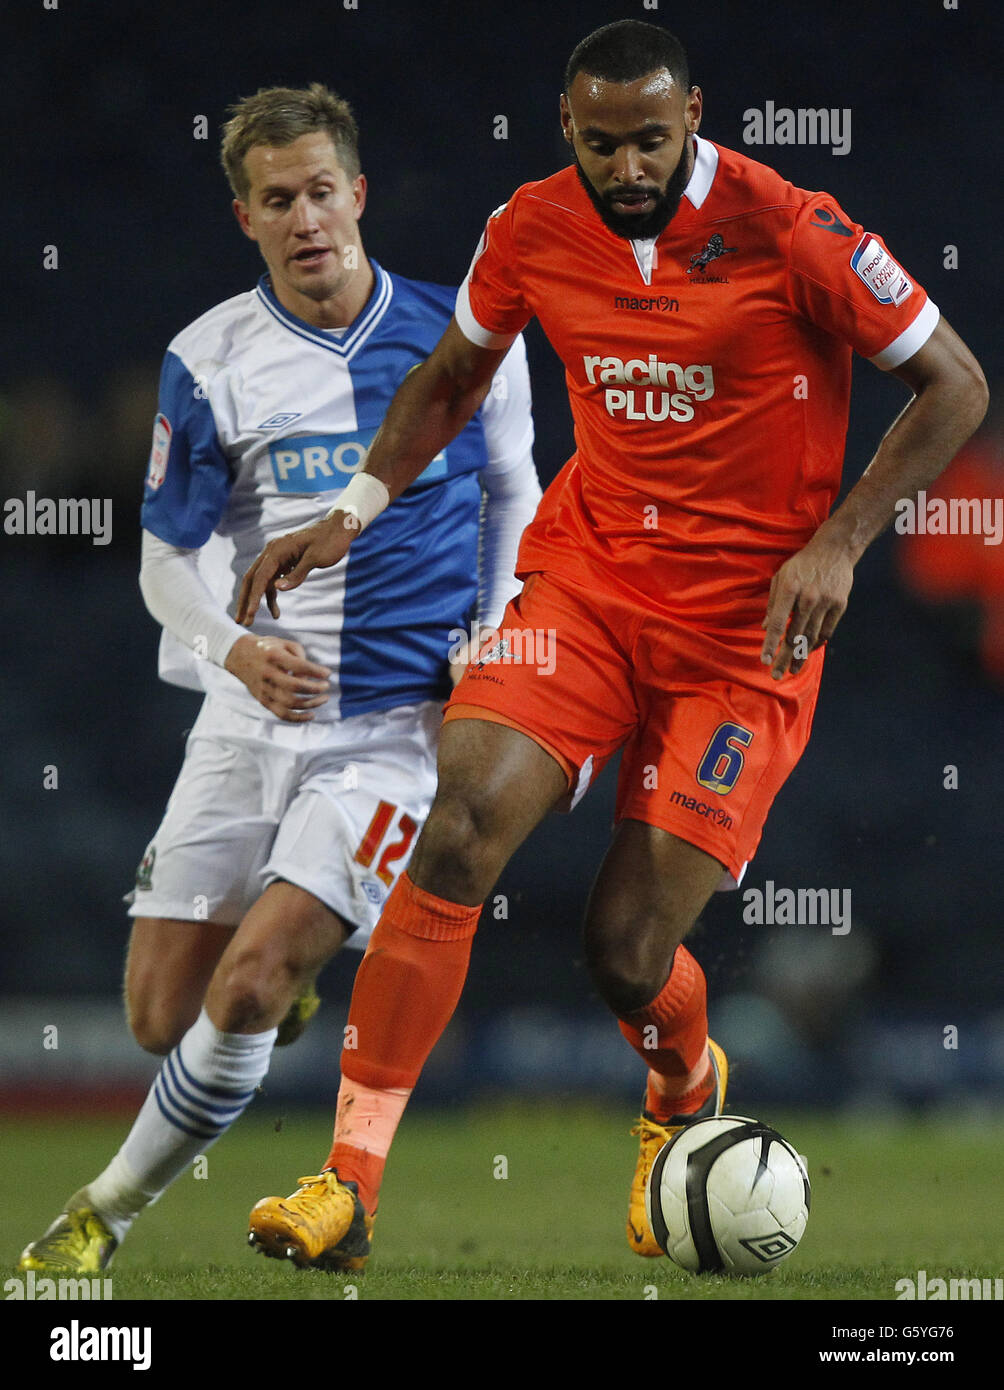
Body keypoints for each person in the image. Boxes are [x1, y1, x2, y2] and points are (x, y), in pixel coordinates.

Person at [238, 17, 987, 1273]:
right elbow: (450, 375)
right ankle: (346, 1182)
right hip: (586, 588)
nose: (626, 167)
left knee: (626, 953)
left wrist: (839, 543)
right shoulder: (530, 225)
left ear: (691, 118)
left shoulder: (792, 226)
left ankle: (682, 1088)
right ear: (566, 130)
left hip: (746, 635)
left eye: (649, 139)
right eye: (600, 143)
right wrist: (351, 510)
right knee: (461, 820)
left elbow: (953, 382)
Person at [18, 83, 541, 1275]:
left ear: (357, 195)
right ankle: (282, 996)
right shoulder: (208, 359)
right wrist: (238, 650)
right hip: (248, 717)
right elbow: (162, 564)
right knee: (162, 1016)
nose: (304, 218)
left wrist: (493, 623)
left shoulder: (462, 336)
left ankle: (98, 1215)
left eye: (320, 192)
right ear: (244, 218)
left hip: (396, 729)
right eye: (275, 200)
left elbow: (516, 492)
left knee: (245, 988)